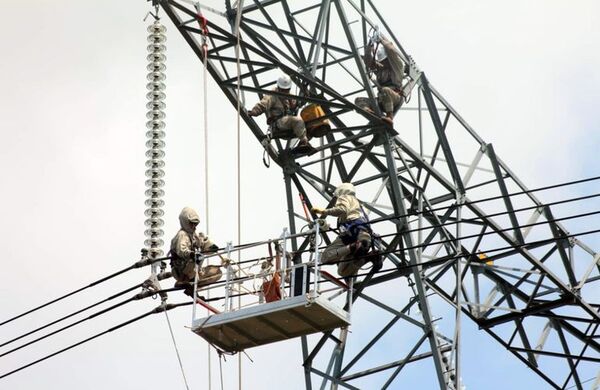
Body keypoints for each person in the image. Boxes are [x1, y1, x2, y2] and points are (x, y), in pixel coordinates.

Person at [311, 183, 381, 278]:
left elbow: (342, 210)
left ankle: (353, 247)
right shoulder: (359, 205)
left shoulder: (344, 196)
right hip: (364, 237)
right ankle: (369, 257)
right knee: (342, 271)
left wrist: (324, 211)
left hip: (350, 235)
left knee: (325, 257)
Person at [247, 74, 313, 153]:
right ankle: (304, 142)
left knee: (311, 124)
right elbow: (263, 104)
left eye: (287, 90)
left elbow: (298, 103)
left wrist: (305, 94)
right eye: (283, 90)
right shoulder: (272, 96)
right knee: (298, 120)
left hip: (289, 124)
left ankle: (302, 145)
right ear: (278, 87)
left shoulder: (290, 96)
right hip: (278, 124)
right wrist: (254, 111)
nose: (285, 92)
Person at [169, 207, 222, 296]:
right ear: (185, 221)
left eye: (195, 224)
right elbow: (181, 251)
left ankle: (193, 287)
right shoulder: (182, 235)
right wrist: (192, 254)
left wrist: (211, 247)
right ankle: (183, 281)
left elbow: (201, 243)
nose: (194, 226)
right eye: (191, 223)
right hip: (182, 270)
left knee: (217, 273)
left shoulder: (193, 235)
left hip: (194, 271)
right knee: (198, 256)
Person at [355, 33, 406, 125]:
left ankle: (389, 117)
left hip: (395, 97)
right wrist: (371, 44)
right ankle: (372, 114)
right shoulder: (380, 69)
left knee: (385, 90)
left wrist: (380, 40)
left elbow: (390, 50)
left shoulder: (397, 67)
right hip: (383, 99)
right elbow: (368, 60)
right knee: (359, 101)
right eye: (382, 61)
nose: (382, 63)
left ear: (388, 59)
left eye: (385, 61)